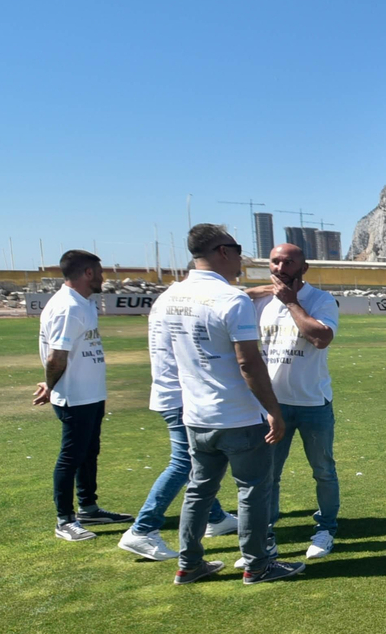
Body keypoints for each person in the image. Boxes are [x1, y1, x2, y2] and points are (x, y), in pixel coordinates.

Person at [154, 224, 302, 585]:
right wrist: (274, 410)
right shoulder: (230, 300)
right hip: (237, 414)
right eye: (237, 249)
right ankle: (258, 564)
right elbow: (248, 363)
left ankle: (189, 564)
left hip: (196, 415)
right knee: (253, 490)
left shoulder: (169, 297)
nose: (241, 257)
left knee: (199, 490)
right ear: (222, 251)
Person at [117, 280, 240, 561]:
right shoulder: (193, 300)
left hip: (170, 391)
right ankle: (143, 529)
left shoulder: (168, 299)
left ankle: (216, 517)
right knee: (184, 462)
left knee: (194, 461)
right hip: (181, 394)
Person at [245, 243, 341, 561]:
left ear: (304, 267)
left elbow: (320, 337)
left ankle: (326, 528)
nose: (280, 267)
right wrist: (264, 290)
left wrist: (291, 303)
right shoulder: (260, 302)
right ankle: (266, 534)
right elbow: (227, 304)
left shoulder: (321, 300)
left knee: (323, 470)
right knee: (269, 473)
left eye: (289, 262)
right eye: (275, 262)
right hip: (272, 405)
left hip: (313, 403)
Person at [35, 249, 132, 540]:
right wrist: (50, 386)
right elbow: (56, 357)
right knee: (71, 456)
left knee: (89, 452)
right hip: (74, 396)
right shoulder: (68, 307)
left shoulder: (84, 303)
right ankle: (64, 520)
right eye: (100, 272)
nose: (104, 278)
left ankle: (88, 507)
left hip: (91, 394)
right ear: (88, 273)